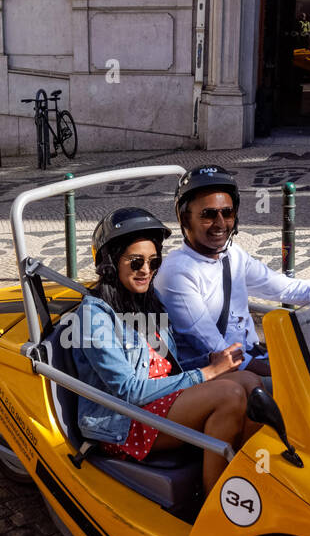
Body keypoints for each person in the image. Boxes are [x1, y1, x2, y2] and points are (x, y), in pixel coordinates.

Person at [70, 208, 260, 495]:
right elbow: (129, 390)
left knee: (249, 383)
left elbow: (165, 363)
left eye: (152, 261)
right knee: (228, 395)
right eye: (135, 262)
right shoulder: (94, 317)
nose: (146, 270)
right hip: (124, 419)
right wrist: (207, 373)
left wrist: (210, 361)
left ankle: (244, 480)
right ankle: (213, 499)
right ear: (110, 264)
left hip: (161, 400)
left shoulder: (145, 300)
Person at [157, 165, 310, 379]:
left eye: (227, 213)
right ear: (185, 218)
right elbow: (216, 348)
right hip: (218, 374)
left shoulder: (233, 255)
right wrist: (285, 374)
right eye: (208, 215)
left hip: (254, 357)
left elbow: (285, 288)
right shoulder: (178, 273)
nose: (220, 223)